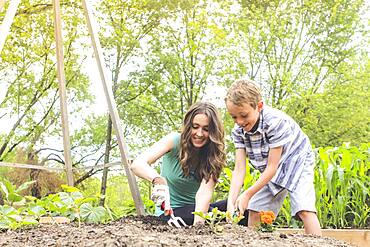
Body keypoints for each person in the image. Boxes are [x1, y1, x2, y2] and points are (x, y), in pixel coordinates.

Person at [224, 79, 322, 235]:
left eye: (243, 115)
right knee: (255, 210)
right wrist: (231, 202)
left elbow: (272, 168)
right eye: (234, 117)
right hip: (272, 169)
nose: (240, 122)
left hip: (297, 161)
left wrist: (247, 194)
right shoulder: (238, 131)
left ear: (259, 106)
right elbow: (239, 169)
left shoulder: (274, 122)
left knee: (304, 209)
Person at [130, 102, 235, 226]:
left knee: (235, 205)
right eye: (195, 127)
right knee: (213, 214)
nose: (199, 134)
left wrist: (198, 226)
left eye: (206, 129)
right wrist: (158, 180)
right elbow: (137, 164)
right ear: (188, 126)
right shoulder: (174, 141)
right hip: (171, 213)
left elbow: (204, 192)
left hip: (196, 210)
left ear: (213, 132)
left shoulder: (214, 155)